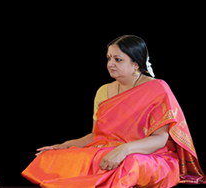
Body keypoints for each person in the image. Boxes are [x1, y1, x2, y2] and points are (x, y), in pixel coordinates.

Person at [22, 35, 206, 187]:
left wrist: (124, 149)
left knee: (129, 163)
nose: (111, 64)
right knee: (51, 158)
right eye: (109, 58)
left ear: (136, 64)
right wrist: (62, 146)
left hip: (149, 156)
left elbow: (160, 139)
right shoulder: (103, 91)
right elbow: (95, 136)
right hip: (107, 150)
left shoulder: (157, 88)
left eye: (118, 59)